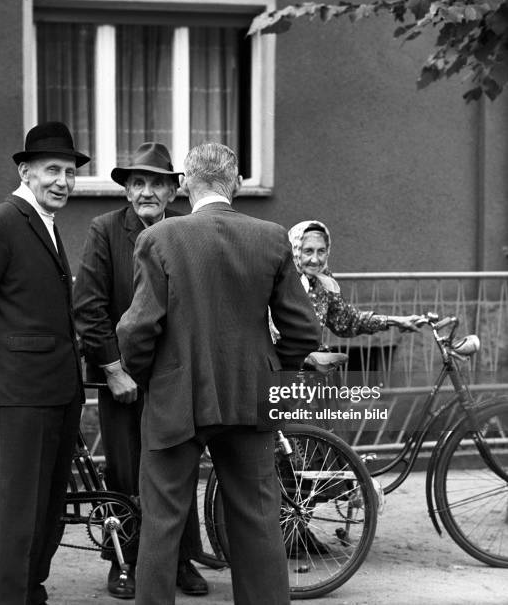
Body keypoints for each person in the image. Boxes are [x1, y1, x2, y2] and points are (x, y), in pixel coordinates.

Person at [116, 143, 321, 604]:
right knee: (257, 518)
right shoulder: (271, 238)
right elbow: (303, 330)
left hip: (177, 393)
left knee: (163, 522)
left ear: (185, 183)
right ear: (238, 185)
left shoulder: (160, 238)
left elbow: (136, 329)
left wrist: (149, 375)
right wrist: (277, 367)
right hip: (252, 394)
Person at [0, 121, 88, 605]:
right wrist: (1, 348)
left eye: (69, 172)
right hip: (21, 393)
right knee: (22, 513)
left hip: (57, 391)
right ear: (25, 171)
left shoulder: (43, 222)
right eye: (52, 170)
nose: (63, 181)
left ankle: (30, 592)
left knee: (47, 510)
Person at [73, 142, 208, 599]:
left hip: (174, 378)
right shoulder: (105, 230)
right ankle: (123, 559)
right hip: (123, 379)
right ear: (127, 190)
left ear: (173, 191)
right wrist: (113, 370)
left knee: (178, 469)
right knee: (126, 472)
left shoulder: (187, 231)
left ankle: (181, 560)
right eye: (138, 183)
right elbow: (89, 307)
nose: (147, 191)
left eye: (157, 183)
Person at [287, 219, 421, 335]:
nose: (315, 260)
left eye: (321, 251)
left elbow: (345, 320)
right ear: (295, 250)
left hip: (313, 360)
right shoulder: (282, 281)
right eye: (308, 251)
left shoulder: (323, 281)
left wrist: (396, 321)